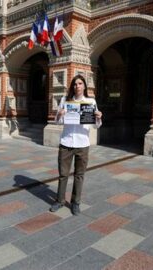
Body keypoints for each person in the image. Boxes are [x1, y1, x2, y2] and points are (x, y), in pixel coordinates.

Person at [50, 74, 102, 215]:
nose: (77, 86)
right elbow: (57, 122)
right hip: (66, 142)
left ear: (84, 86)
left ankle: (75, 203)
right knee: (63, 174)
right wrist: (60, 114)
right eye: (75, 84)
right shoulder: (65, 101)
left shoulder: (90, 102)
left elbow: (96, 126)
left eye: (80, 83)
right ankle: (60, 200)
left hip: (82, 143)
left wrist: (98, 118)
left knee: (79, 175)